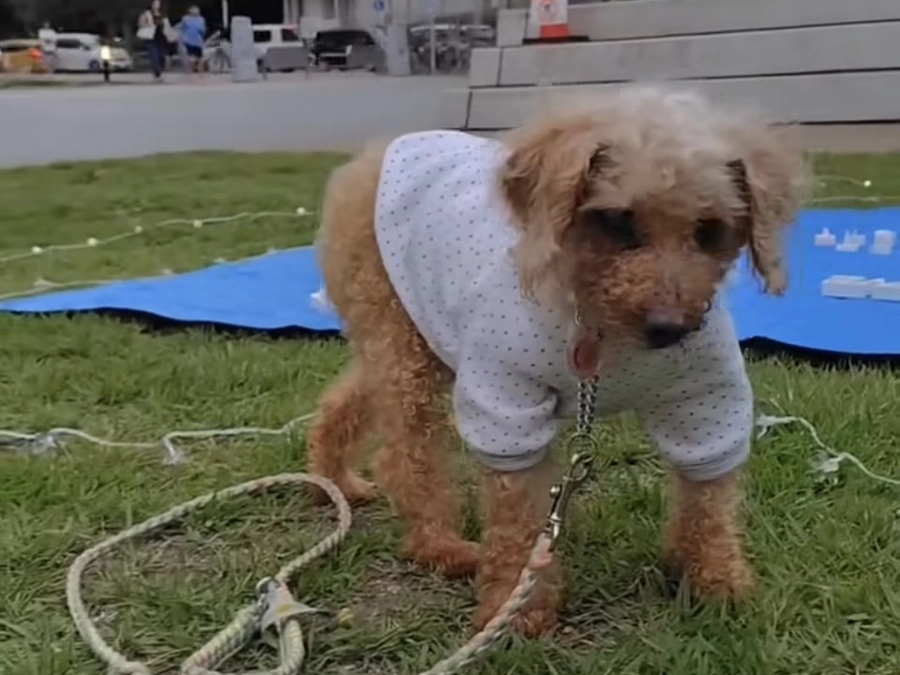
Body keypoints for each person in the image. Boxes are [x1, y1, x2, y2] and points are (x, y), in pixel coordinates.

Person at [137, 0, 174, 81]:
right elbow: (140, 23)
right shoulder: (147, 13)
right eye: (155, 4)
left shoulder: (163, 15)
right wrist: (147, 24)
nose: (156, 5)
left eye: (158, 4)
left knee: (162, 57)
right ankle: (157, 74)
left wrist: (170, 35)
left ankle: (160, 71)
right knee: (154, 56)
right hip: (151, 38)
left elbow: (167, 26)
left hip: (161, 38)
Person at [178, 5, 207, 74]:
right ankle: (193, 69)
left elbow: (203, 30)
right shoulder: (186, 19)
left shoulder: (201, 19)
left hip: (198, 41)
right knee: (192, 57)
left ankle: (198, 70)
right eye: (193, 10)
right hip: (189, 40)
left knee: (199, 57)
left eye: (196, 10)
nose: (195, 12)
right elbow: (182, 28)